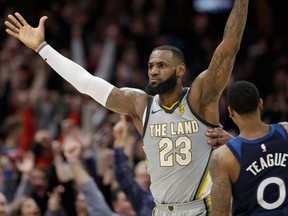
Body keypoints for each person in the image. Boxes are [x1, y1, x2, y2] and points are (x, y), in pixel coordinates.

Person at [4, 0, 249, 214]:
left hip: (201, 208)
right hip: (160, 210)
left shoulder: (200, 98)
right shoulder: (140, 103)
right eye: (151, 65)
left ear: (180, 70)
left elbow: (229, 46)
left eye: (162, 65)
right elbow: (87, 84)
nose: (153, 71)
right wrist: (42, 48)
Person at [209, 81, 288, 216]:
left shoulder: (223, 157)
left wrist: (234, 145)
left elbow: (220, 213)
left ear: (230, 111)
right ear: (261, 103)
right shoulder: (285, 131)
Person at [113, 115, 155, 215]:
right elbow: (122, 173)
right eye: (142, 176)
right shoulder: (140, 198)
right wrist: (119, 141)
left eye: (148, 176)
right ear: (135, 178)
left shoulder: (162, 193)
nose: (146, 179)